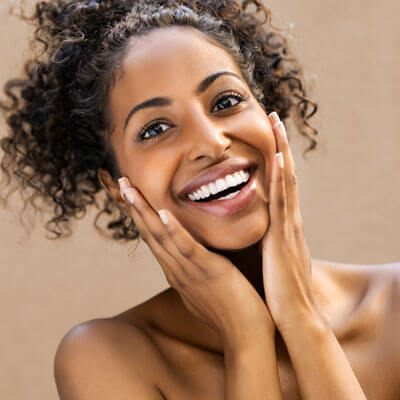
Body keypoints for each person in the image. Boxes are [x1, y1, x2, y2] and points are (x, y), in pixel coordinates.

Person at [0, 0, 399, 399]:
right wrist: (246, 337)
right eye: (155, 128)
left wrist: (302, 318)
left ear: (267, 114)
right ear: (118, 187)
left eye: (226, 102)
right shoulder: (107, 358)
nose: (210, 142)